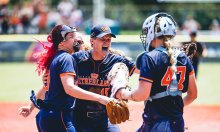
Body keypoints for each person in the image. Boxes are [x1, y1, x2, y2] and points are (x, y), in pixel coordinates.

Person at [19, 24, 114, 132]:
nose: (77, 42)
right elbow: (64, 88)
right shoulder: (67, 59)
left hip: (55, 115)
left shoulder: (71, 58)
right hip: (63, 116)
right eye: (73, 38)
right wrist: (31, 106)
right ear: (62, 41)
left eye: (80, 41)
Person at [116, 13, 198, 132]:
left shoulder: (150, 57)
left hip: (156, 124)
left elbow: (142, 95)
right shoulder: (183, 57)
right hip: (177, 122)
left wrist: (123, 93)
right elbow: (193, 94)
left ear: (152, 33)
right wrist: (174, 109)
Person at [68, 24, 136, 132]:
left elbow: (142, 70)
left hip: (104, 118)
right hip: (79, 118)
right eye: (102, 39)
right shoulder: (78, 59)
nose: (106, 42)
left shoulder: (116, 60)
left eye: (108, 39)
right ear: (92, 41)